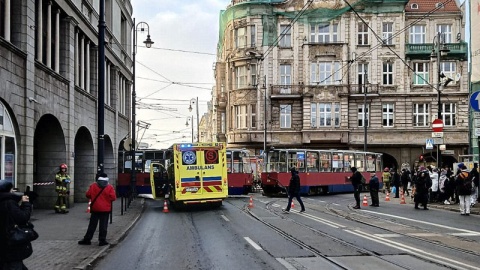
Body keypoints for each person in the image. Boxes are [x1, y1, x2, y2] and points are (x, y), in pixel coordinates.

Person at [0, 180, 33, 270]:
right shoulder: (9, 203)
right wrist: (26, 204)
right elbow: (22, 218)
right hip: (10, 243)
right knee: (13, 264)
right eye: (12, 189)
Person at [78, 173, 117, 246]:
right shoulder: (109, 187)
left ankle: (87, 239)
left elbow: (88, 195)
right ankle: (102, 240)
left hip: (95, 208)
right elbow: (113, 198)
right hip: (105, 209)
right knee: (103, 225)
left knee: (92, 225)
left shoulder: (93, 186)